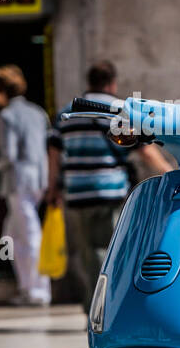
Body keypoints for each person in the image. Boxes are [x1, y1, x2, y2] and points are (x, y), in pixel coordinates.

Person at [46, 60, 172, 311]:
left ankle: (94, 306)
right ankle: (111, 306)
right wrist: (170, 172)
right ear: (111, 83)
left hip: (77, 194)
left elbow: (54, 154)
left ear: (89, 82)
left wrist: (53, 188)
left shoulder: (66, 113)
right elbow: (144, 149)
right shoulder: (119, 110)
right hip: (110, 192)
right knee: (113, 251)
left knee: (88, 254)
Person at [0, 65, 50, 306]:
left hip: (18, 180)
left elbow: (9, 154)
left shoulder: (6, 116)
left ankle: (38, 290)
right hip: (39, 179)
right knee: (13, 235)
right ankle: (27, 287)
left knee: (29, 235)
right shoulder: (38, 112)